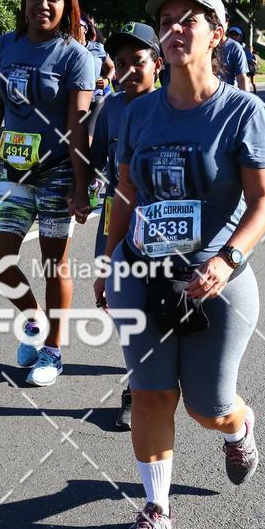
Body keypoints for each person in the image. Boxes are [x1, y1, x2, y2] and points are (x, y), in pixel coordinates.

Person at [94, 0, 265, 529]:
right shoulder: (137, 110)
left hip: (214, 283)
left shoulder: (243, 113)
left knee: (207, 406)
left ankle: (240, 429)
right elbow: (124, 190)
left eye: (188, 20)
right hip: (140, 275)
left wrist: (228, 261)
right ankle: (156, 509)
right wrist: (108, 259)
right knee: (149, 395)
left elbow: (264, 202)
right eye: (166, 20)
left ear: (216, 34)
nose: (174, 29)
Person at [0, 0, 95, 387]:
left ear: (66, 5)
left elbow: (78, 125)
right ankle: (33, 320)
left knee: (55, 266)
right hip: (14, 173)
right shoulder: (5, 46)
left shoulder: (75, 56)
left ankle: (52, 350)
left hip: (56, 174)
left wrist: (80, 185)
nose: (43, 4)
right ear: (25, 0)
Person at [90, 21, 163, 430]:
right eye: (120, 63)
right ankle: (136, 389)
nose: (129, 70)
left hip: (165, 226)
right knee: (121, 302)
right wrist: (80, 194)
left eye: (138, 61)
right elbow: (96, 157)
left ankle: (161, 377)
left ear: (157, 63)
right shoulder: (112, 107)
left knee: (162, 304)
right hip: (117, 214)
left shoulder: (172, 105)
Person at [80, 13, 115, 136]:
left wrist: (107, 80)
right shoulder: (66, 49)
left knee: (90, 136)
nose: (74, 28)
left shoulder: (97, 48)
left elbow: (112, 67)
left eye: (78, 25)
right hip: (74, 100)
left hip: (96, 98)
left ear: (85, 29)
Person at [219, 24, 250, 91]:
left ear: (240, 36)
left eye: (235, 34)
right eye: (230, 33)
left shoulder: (239, 48)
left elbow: (242, 77)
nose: (233, 36)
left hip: (230, 89)